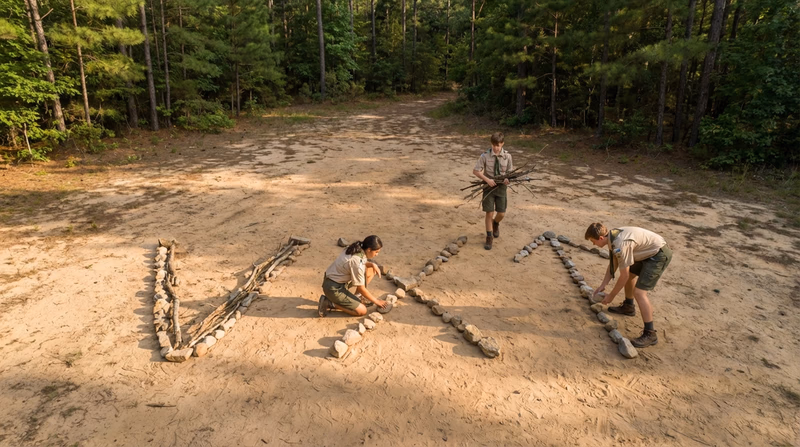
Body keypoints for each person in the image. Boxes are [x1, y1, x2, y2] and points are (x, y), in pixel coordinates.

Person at [584, 223, 673, 348]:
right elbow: (613, 264)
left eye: (593, 242)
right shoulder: (612, 237)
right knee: (631, 274)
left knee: (640, 293)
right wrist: (603, 285)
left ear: (600, 238)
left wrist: (611, 296)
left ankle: (650, 333)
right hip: (647, 251)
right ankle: (628, 306)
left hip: (658, 255)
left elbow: (623, 276)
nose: (594, 245)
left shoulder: (620, 244)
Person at [318, 235, 387, 317]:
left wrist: (372, 264)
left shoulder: (357, 248)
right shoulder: (358, 262)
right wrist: (376, 301)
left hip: (334, 280)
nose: (377, 255)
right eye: (376, 252)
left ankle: (357, 298)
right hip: (333, 288)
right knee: (362, 310)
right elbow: (361, 287)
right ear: (369, 249)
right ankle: (329, 303)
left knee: (371, 270)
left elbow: (357, 264)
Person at [473, 132, 513, 250]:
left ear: (502, 144)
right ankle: (489, 237)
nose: (496, 148)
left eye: (498, 145)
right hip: (488, 187)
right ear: (491, 144)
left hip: (501, 187)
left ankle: (496, 223)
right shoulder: (484, 156)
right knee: (489, 212)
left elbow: (510, 173)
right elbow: (476, 171)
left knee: (501, 213)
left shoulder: (507, 156)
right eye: (494, 145)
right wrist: (487, 180)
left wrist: (507, 179)